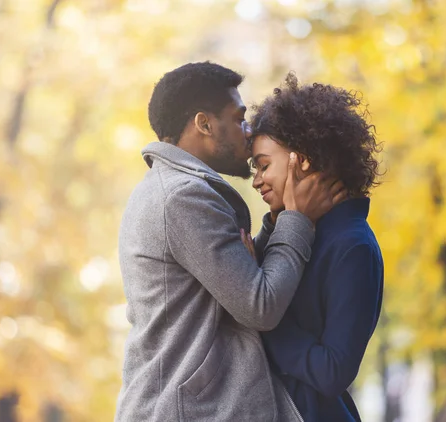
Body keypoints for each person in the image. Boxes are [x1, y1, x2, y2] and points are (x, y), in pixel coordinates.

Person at [115, 62, 346, 422]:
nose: (248, 130)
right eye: (238, 119)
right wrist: (297, 219)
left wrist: (273, 226)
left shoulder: (168, 191)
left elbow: (232, 287)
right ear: (204, 123)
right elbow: (260, 306)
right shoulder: (183, 198)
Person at [245, 73, 384, 422]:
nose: (256, 180)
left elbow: (333, 371)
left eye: (263, 165)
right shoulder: (302, 232)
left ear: (300, 160)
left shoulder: (352, 245)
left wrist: (258, 316)